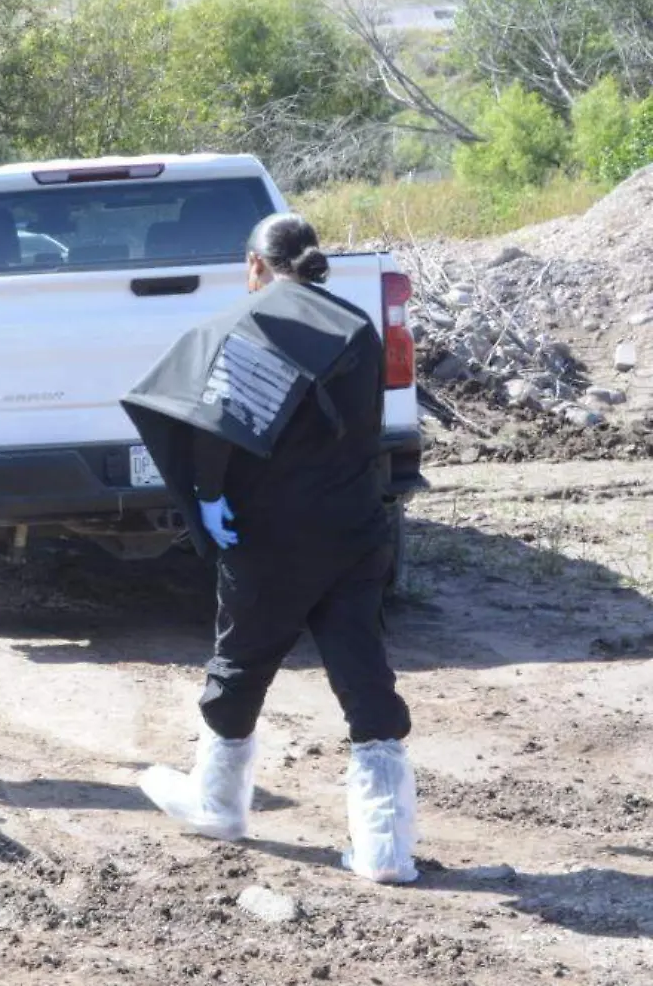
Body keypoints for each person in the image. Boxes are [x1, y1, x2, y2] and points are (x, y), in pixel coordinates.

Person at [121, 213, 417, 884]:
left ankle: (220, 805)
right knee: (363, 672)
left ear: (255, 266)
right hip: (354, 533)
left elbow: (213, 428)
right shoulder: (358, 329)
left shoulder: (245, 327)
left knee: (241, 666)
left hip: (271, 541)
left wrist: (208, 495)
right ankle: (386, 850)